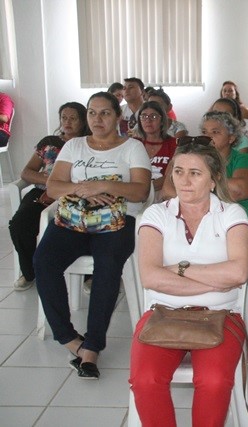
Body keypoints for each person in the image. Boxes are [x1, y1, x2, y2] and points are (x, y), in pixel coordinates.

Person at [130, 142, 248, 426]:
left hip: (221, 315)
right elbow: (150, 277)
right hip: (162, 312)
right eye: (178, 171)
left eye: (195, 173)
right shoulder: (156, 215)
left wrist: (179, 270)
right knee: (145, 379)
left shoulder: (232, 215)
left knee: (213, 380)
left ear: (214, 179)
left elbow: (239, 273)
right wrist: (215, 282)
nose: (184, 180)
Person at [33, 91, 151, 379]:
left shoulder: (132, 148)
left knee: (107, 268)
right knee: (43, 262)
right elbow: (54, 186)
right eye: (92, 113)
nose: (97, 119)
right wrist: (82, 189)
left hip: (116, 222)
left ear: (118, 116)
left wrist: (102, 186)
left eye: (105, 113)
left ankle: (93, 346)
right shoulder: (74, 145)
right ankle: (70, 339)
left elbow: (141, 191)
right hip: (73, 219)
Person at [9, 102, 91, 291]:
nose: (67, 122)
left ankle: (89, 274)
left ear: (83, 120)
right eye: (64, 117)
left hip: (76, 194)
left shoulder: (88, 143)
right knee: (20, 224)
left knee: (86, 224)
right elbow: (27, 172)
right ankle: (30, 272)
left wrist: (64, 186)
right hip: (43, 191)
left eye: (73, 118)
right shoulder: (49, 142)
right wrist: (50, 181)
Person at [163, 112, 248, 220]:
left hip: (232, 218)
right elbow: (167, 191)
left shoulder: (244, 159)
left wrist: (191, 191)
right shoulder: (194, 159)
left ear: (231, 138)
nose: (208, 136)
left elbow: (238, 191)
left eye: (215, 132)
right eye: (204, 132)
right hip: (193, 215)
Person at [136, 100, 177, 194]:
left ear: (162, 120)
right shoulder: (133, 143)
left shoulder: (173, 144)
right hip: (137, 193)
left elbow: (169, 177)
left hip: (162, 193)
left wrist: (145, 190)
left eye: (153, 116)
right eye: (143, 116)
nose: (148, 120)